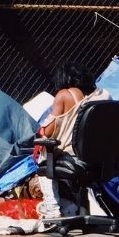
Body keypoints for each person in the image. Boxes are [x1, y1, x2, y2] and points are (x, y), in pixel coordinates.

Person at [36, 62, 107, 219]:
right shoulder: (103, 95)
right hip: (103, 160)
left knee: (45, 158)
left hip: (74, 156)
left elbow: (48, 131)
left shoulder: (64, 95)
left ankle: (52, 209)